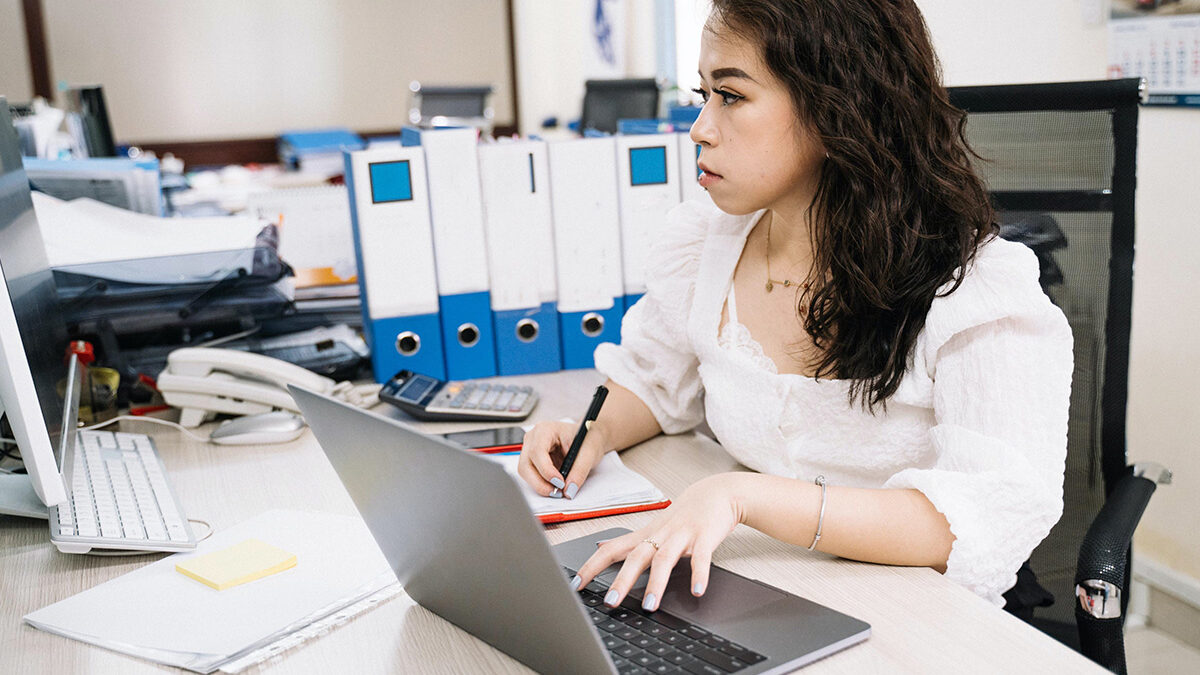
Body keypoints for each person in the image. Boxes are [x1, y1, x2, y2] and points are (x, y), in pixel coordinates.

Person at [518, 0, 1072, 613]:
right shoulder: (710, 239)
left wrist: (742, 497)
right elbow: (654, 379)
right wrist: (589, 435)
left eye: (731, 96)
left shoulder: (973, 288)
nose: (700, 128)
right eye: (703, 94)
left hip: (916, 610)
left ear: (837, 107)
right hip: (759, 587)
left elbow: (976, 519)